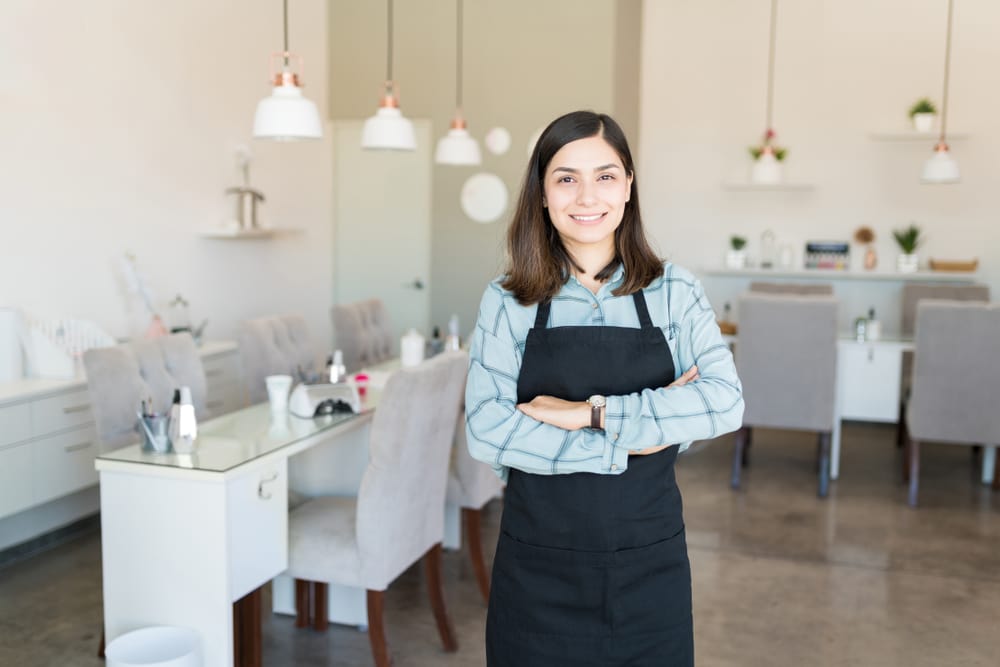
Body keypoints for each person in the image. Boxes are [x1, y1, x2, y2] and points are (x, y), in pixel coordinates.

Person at [465, 110, 744, 666]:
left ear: (629, 186)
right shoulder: (508, 299)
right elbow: (486, 429)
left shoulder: (674, 291)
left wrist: (588, 415)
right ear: (542, 194)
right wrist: (637, 437)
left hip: (649, 568)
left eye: (606, 175)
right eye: (566, 177)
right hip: (536, 570)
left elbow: (724, 402)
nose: (587, 195)